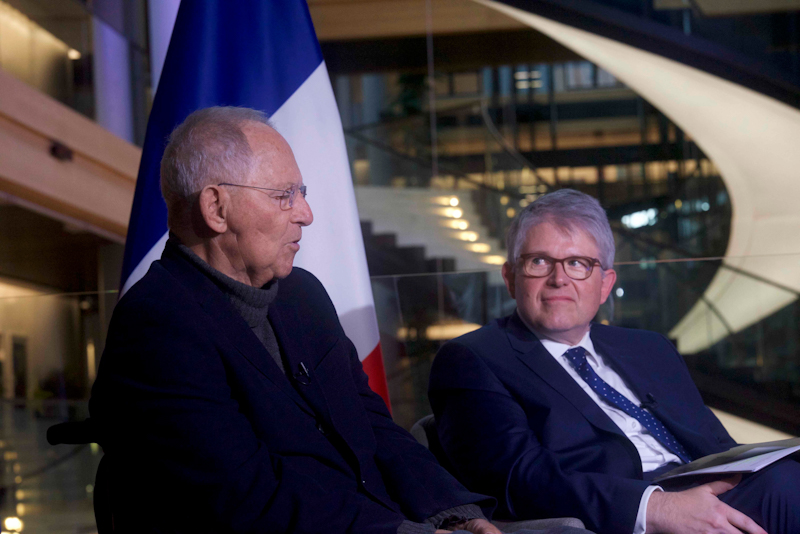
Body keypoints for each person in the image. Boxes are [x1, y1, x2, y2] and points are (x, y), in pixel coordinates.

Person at [89, 107, 591, 534]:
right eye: (284, 195)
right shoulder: (156, 325)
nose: (305, 213)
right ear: (216, 207)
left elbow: (372, 426)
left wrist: (453, 513)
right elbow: (246, 500)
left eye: (301, 192)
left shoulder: (301, 296)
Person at [428, 189, 800, 534]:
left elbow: (717, 443)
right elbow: (515, 479)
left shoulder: (650, 347)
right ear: (511, 278)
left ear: (605, 284)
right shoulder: (472, 358)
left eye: (578, 263)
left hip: (711, 490)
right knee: (784, 489)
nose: (559, 279)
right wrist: (656, 508)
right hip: (618, 516)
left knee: (785, 477)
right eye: (539, 261)